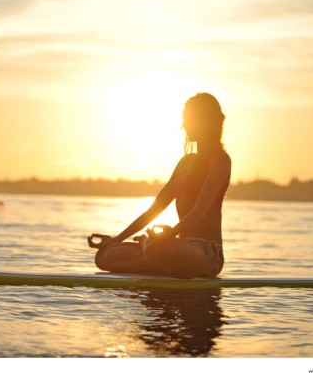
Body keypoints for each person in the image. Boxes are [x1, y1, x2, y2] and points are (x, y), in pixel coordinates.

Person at [88, 92, 231, 278]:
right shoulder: (185, 163)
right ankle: (160, 260)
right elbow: (153, 210)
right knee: (104, 257)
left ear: (208, 121)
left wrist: (169, 234)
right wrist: (116, 239)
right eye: (185, 119)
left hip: (206, 254)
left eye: (191, 119)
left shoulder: (220, 160)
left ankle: (150, 248)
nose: (185, 125)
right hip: (177, 247)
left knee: (156, 248)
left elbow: (199, 211)